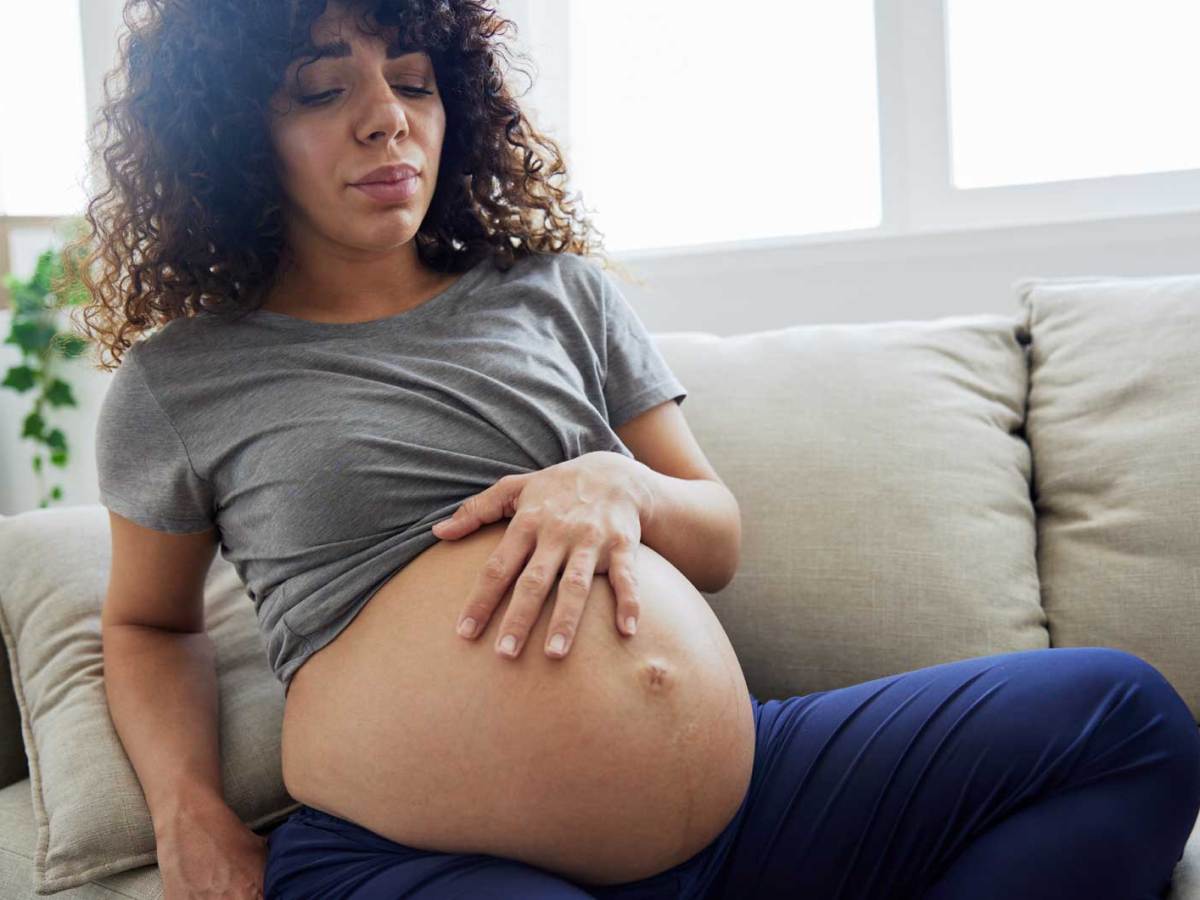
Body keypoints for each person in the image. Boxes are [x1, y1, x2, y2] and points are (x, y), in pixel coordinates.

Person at [68, 1, 1200, 898]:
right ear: (228, 139)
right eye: (323, 90)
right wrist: (191, 813)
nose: (387, 119)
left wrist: (618, 480)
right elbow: (150, 622)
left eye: (412, 82)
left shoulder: (556, 297)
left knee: (1126, 717)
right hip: (418, 856)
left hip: (750, 807)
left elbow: (713, 536)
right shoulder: (183, 380)